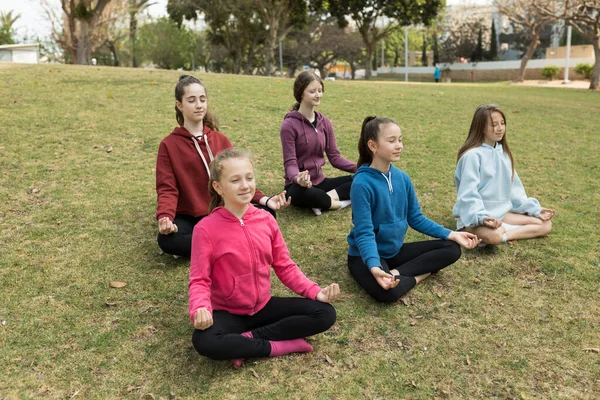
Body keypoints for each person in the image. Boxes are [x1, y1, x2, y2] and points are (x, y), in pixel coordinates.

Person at [189, 149, 339, 367]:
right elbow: (199, 280)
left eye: (249, 178)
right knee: (203, 340)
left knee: (325, 313)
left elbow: (284, 266)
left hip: (264, 306)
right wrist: (200, 309)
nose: (245, 185)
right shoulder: (205, 229)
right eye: (235, 180)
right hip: (228, 313)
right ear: (218, 187)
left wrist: (315, 291)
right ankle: (276, 346)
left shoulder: (266, 219)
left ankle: (247, 340)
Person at [347, 116, 480, 303]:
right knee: (387, 293)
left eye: (400, 140)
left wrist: (452, 234)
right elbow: (364, 233)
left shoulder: (403, 178)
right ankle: (419, 275)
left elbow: (416, 218)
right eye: (391, 141)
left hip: (394, 252)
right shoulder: (362, 184)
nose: (399, 145)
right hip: (365, 256)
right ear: (373, 146)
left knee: (452, 248)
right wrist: (375, 268)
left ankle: (396, 274)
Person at [156, 75, 290, 257]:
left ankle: (210, 242)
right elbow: (167, 188)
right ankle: (233, 238)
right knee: (167, 240)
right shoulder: (169, 145)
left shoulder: (220, 139)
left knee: (267, 213)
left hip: (226, 210)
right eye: (191, 100)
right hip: (192, 216)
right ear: (179, 105)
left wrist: (266, 200)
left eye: (202, 99)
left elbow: (239, 177)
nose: (199, 105)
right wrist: (166, 218)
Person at [453, 104, 554, 246]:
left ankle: (504, 235)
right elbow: (468, 194)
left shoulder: (504, 154)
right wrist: (481, 218)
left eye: (502, 123)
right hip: (477, 218)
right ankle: (494, 234)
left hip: (502, 214)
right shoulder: (472, 156)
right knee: (493, 237)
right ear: (480, 127)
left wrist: (535, 211)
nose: (500, 128)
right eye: (494, 124)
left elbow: (515, 191)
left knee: (545, 224)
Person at [280, 70, 357, 216]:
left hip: (321, 182)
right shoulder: (289, 125)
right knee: (300, 194)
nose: (318, 94)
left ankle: (323, 201)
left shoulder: (325, 122)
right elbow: (290, 163)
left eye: (320, 90)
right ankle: (340, 203)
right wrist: (298, 178)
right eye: (313, 91)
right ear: (301, 93)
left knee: (363, 179)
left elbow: (335, 158)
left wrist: (361, 168)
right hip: (299, 186)